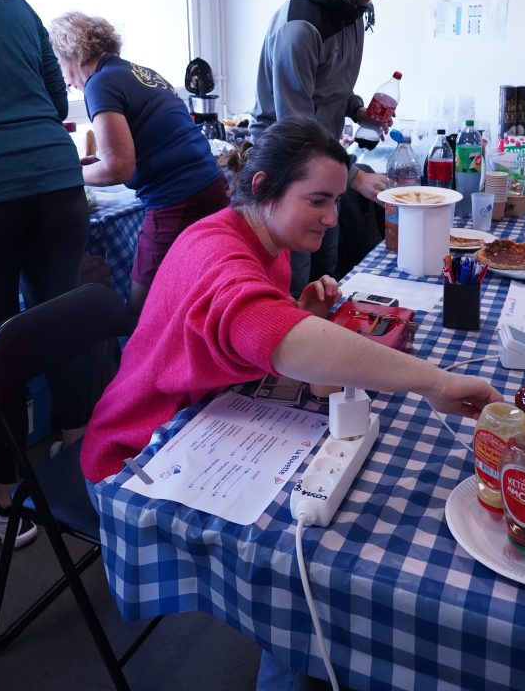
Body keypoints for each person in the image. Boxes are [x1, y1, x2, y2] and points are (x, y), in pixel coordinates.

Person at [80, 115, 501, 691]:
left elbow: (243, 335)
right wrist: (433, 382)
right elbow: (260, 327)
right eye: (317, 201)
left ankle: (296, 653)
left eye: (335, 200)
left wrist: (299, 316)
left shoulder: (263, 240)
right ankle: (296, 652)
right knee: (314, 547)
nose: (332, 218)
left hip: (210, 414)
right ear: (262, 188)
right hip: (140, 450)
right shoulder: (215, 249)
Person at [0, 0, 90, 550]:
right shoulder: (11, 1)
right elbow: (57, 100)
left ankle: (10, 499)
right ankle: (77, 452)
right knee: (58, 319)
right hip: (55, 183)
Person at [249, 0, 400, 295]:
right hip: (287, 163)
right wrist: (354, 177)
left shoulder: (353, 8)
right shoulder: (300, 26)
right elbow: (295, 124)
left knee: (326, 269)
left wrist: (357, 109)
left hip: (324, 156)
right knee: (296, 275)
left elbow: (330, 86)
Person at [48, 12, 229, 314]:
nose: (64, 79)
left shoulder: (99, 83)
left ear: (70, 53)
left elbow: (119, 168)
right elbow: (153, 139)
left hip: (177, 199)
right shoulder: (140, 72)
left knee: (142, 311)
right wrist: (96, 163)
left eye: (58, 63)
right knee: (198, 292)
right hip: (212, 186)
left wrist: (69, 173)